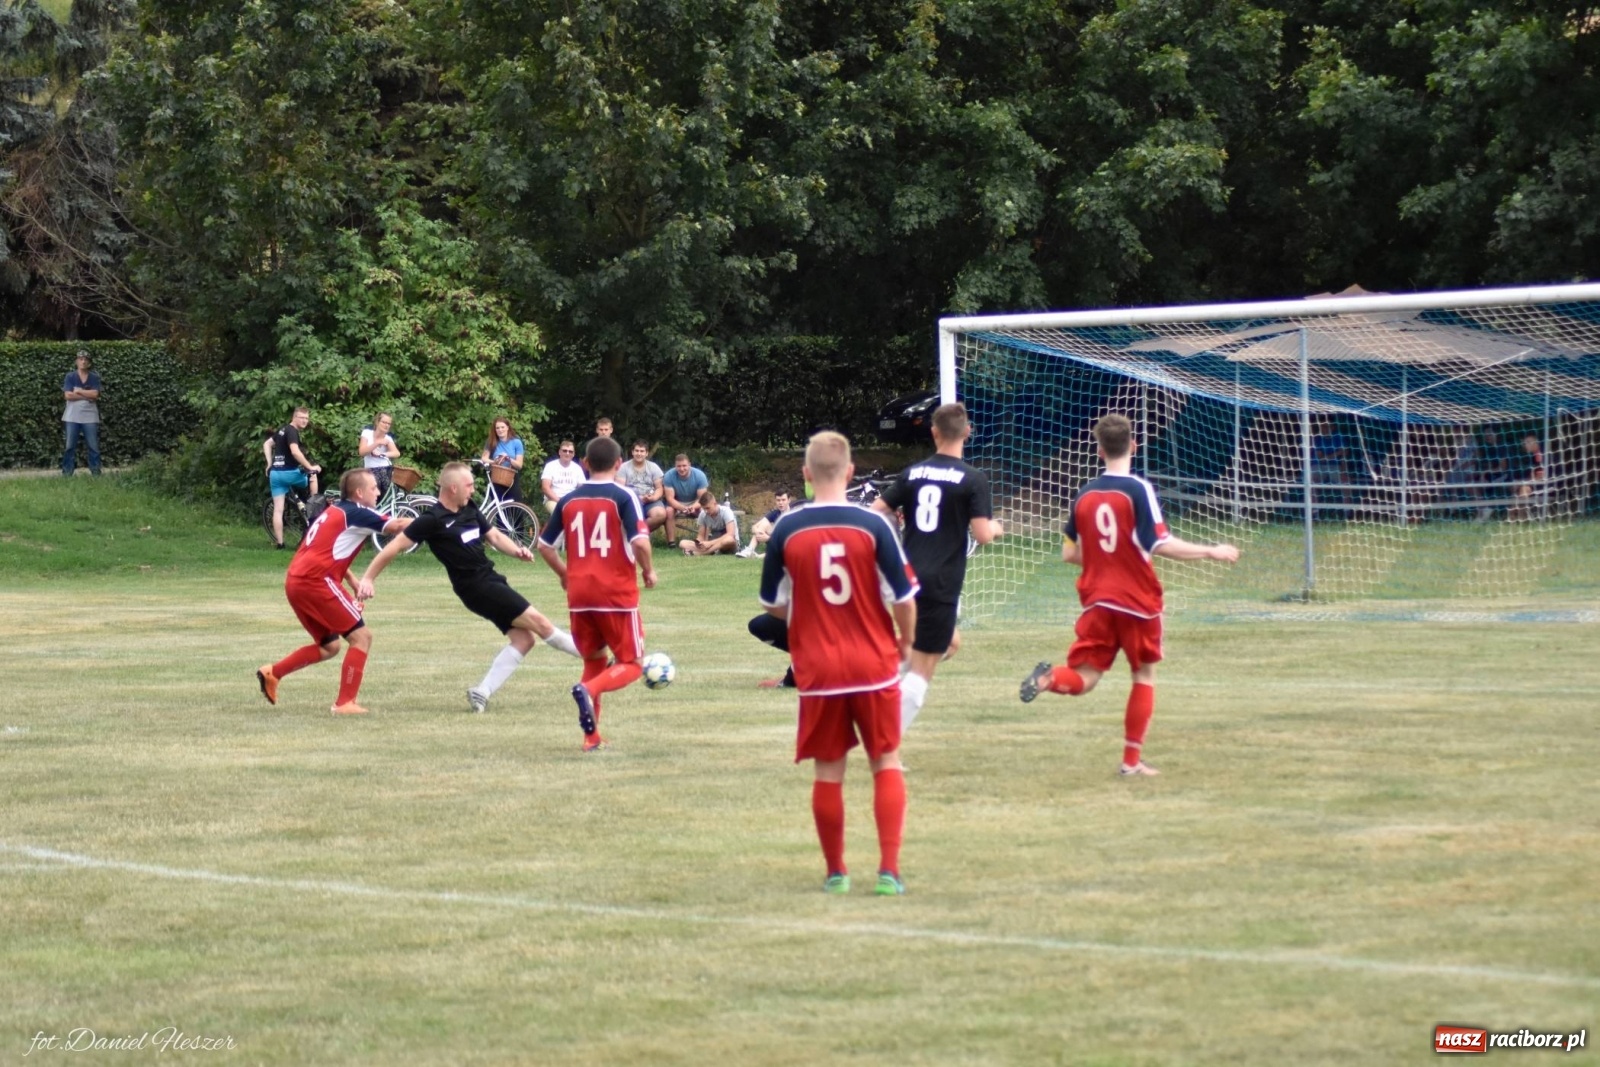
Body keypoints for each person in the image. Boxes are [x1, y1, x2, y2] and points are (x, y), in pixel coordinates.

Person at [1018, 414, 1239, 776]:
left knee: (1085, 677)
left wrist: (1105, 561)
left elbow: (1069, 553)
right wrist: (1210, 550)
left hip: (1097, 601)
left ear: (1100, 449)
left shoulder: (1085, 493)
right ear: (1134, 445)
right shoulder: (1138, 490)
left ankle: (1047, 680)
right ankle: (1131, 763)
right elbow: (1159, 543)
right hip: (1136, 600)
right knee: (1143, 676)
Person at [758, 431, 918, 896]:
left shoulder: (787, 527)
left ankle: (837, 873)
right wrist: (906, 642)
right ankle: (888, 870)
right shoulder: (875, 526)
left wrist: (808, 615)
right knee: (886, 761)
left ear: (806, 475)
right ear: (849, 473)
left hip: (820, 669)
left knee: (829, 770)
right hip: (873, 663)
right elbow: (904, 597)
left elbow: (771, 603)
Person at [356, 462, 582, 714]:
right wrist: (367, 578)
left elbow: (494, 536)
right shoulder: (432, 519)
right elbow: (393, 546)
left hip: (490, 579)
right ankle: (599, 659)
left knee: (524, 639)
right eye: (469, 485)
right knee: (541, 624)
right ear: (453, 488)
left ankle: (481, 691)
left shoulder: (470, 508)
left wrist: (517, 551)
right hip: (476, 587)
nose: (473, 490)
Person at [873, 402, 1003, 731]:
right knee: (922, 670)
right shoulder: (973, 478)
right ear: (967, 432)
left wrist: (896, 530)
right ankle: (885, 732)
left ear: (933, 432)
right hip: (941, 580)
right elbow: (983, 535)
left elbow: (876, 511)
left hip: (906, 576)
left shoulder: (912, 473)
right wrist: (997, 526)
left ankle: (886, 684)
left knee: (949, 643)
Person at [537, 436, 658, 751]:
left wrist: (565, 575)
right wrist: (647, 570)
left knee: (594, 660)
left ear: (585, 464)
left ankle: (591, 738)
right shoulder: (623, 496)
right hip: (615, 593)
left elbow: (545, 546)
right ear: (619, 464)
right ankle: (587, 690)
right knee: (632, 664)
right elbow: (641, 542)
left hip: (579, 595)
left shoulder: (568, 500)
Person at [255, 469, 410, 715]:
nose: (378, 491)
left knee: (329, 646)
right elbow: (398, 526)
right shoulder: (358, 512)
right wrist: (437, 520)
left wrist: (352, 580)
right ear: (359, 493)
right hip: (316, 581)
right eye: (374, 488)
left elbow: (323, 548)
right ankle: (344, 703)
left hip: (296, 580)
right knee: (362, 637)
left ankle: (273, 672)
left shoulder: (335, 510)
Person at [264, 408, 323, 550]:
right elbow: (295, 452)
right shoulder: (292, 431)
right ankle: (313, 506)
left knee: (278, 509)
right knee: (313, 474)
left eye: (306, 418)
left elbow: (267, 444)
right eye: (301, 417)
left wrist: (269, 464)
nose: (304, 421)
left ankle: (280, 544)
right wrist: (310, 467)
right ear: (294, 417)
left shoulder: (282, 430)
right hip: (290, 473)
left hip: (276, 475)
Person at [60, 350, 103, 477]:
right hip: (72, 417)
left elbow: (95, 394)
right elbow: (67, 395)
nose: (83, 361)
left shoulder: (94, 377)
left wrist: (78, 392)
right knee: (69, 446)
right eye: (80, 359)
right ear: (76, 361)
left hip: (90, 417)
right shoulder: (70, 376)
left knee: (93, 446)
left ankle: (96, 474)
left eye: (86, 359)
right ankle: (67, 474)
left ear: (89, 363)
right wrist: (87, 394)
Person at [617, 440, 668, 533]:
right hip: (630, 501)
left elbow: (659, 488)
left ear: (646, 453)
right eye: (636, 451)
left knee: (661, 514)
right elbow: (620, 489)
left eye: (642, 451)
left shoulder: (654, 467)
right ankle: (636, 536)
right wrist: (637, 497)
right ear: (632, 452)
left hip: (650, 501)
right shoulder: (623, 467)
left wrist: (653, 498)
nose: (639, 454)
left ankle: (636, 533)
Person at [661, 453, 709, 543]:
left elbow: (703, 499)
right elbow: (670, 499)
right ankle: (671, 542)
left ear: (689, 465)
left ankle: (704, 540)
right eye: (678, 466)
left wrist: (693, 507)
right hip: (676, 502)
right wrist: (683, 508)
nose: (682, 469)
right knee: (668, 511)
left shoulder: (700, 476)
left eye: (684, 466)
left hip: (696, 502)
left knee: (705, 511)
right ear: (675, 466)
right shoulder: (668, 476)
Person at [736, 488, 793, 558]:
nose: (780, 503)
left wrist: (769, 538)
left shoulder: (794, 513)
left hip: (789, 544)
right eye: (778, 500)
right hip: (775, 541)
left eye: (783, 500)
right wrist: (759, 533)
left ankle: (757, 556)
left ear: (789, 500)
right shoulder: (775, 513)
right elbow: (754, 527)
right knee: (764, 524)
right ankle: (750, 550)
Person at [679, 490, 739, 555]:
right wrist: (699, 543)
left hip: (728, 544)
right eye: (704, 508)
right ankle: (710, 551)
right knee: (682, 543)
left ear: (715, 504)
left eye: (708, 508)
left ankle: (703, 553)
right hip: (712, 543)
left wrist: (710, 543)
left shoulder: (726, 512)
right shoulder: (703, 514)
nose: (706, 511)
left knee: (729, 540)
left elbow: (730, 534)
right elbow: (701, 536)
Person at [482, 417, 527, 504]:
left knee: (516, 507)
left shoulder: (516, 442)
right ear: (495, 430)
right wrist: (494, 462)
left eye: (502, 427)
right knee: (498, 506)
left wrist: (508, 459)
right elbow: (484, 458)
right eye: (497, 428)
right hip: (496, 476)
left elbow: (519, 465)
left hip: (512, 477)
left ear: (507, 427)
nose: (500, 430)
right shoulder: (491, 441)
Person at [359, 413, 401, 497]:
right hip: (370, 470)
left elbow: (396, 453)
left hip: (385, 469)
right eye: (384, 422)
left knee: (386, 496)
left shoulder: (388, 438)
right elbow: (362, 452)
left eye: (388, 423)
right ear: (377, 422)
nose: (386, 425)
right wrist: (377, 443)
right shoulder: (367, 433)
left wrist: (382, 454)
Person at [540, 440, 585, 506]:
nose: (567, 453)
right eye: (564, 451)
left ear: (573, 454)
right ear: (559, 452)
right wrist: (560, 502)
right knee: (559, 511)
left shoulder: (577, 468)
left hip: (571, 501)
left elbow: (582, 488)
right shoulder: (550, 466)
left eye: (570, 451)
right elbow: (545, 488)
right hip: (553, 500)